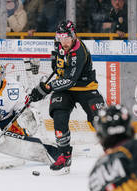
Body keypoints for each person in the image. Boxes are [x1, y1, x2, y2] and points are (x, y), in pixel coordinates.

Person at [29, 20, 105, 175]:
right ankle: (65, 155)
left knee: (99, 119)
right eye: (60, 38)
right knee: (59, 117)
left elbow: (70, 79)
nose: (63, 42)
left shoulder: (80, 51)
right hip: (65, 90)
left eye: (66, 38)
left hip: (85, 87)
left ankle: (113, 150)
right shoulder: (58, 45)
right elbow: (56, 68)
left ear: (73, 36)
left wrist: (47, 88)